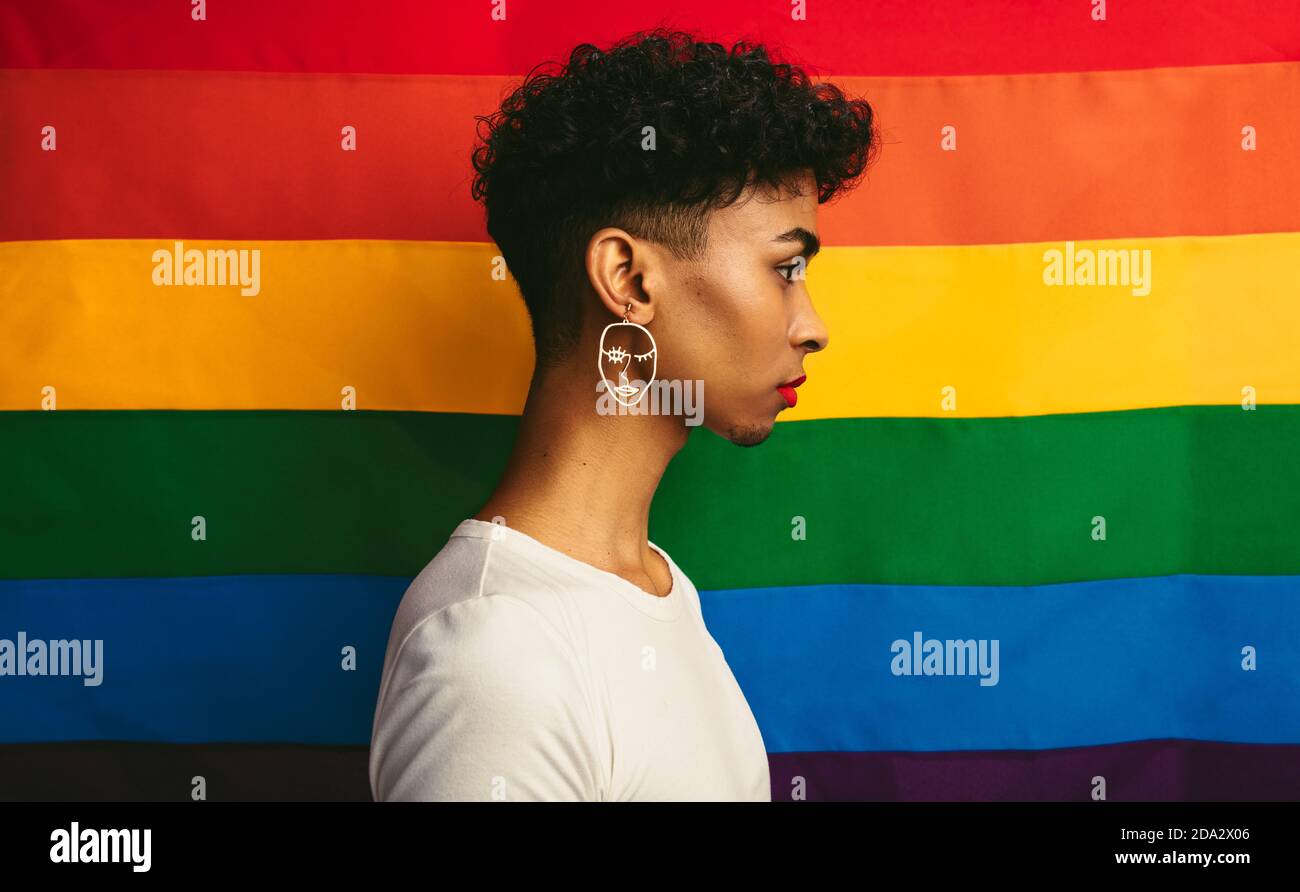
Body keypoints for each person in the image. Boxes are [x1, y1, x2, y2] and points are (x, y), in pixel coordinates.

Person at [369, 27, 879, 801]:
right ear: (629, 280)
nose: (813, 325)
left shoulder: (658, 589)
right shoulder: (495, 649)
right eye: (785, 269)